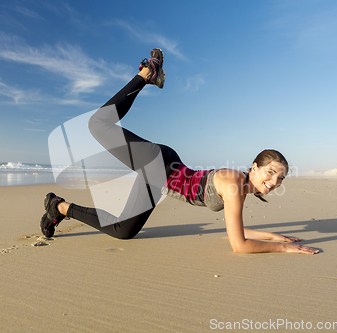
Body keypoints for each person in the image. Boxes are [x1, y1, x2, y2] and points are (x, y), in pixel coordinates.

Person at [41, 48, 319, 255]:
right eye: (271, 173)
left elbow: (236, 230)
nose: (273, 183)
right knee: (98, 124)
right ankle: (146, 73)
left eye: (280, 179)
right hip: (158, 164)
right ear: (254, 167)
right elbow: (239, 245)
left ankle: (60, 207)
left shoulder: (243, 186)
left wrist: (273, 236)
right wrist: (284, 250)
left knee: (122, 230)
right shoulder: (235, 183)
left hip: (164, 175)